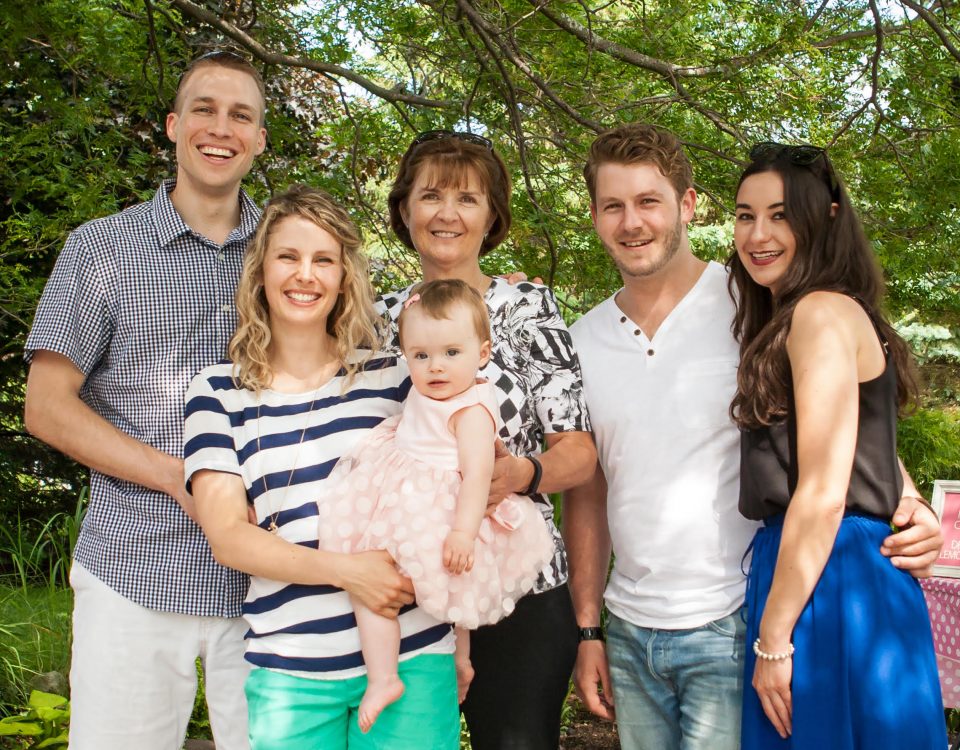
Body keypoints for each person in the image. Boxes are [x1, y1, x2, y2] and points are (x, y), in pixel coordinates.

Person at [563, 123, 944, 750]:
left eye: (649, 201)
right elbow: (590, 489)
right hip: (631, 627)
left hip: (741, 614)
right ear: (596, 216)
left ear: (687, 205)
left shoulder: (753, 303)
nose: (632, 222)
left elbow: (839, 426)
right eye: (613, 205)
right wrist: (588, 629)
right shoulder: (580, 341)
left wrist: (907, 501)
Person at [23, 50, 267, 750]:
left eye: (240, 115)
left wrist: (474, 287)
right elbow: (46, 406)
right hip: (134, 569)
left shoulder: (289, 251)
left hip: (269, 582)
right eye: (205, 109)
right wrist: (177, 475)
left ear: (258, 139)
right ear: (172, 125)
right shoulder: (101, 249)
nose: (221, 128)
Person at [183, 184, 460, 749]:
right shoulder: (219, 393)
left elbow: (461, 464)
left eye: (323, 260)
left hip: (414, 655)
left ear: (343, 278)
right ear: (261, 271)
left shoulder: (395, 378)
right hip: (292, 669)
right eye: (288, 256)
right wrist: (348, 570)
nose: (304, 275)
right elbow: (230, 538)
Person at [378, 129, 597, 750]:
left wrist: (519, 475)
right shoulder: (374, 317)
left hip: (516, 584)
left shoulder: (526, 306)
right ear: (404, 210)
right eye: (430, 196)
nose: (447, 214)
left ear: (492, 216)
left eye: (468, 199)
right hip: (409, 587)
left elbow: (578, 454)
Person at [731, 143, 946, 748]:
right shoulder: (796, 314)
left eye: (779, 214)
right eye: (745, 215)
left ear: (824, 217)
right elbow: (863, 446)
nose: (758, 233)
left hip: (830, 576)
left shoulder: (820, 313)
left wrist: (773, 639)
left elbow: (825, 493)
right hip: (822, 566)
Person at [317, 278, 554, 732]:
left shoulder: (471, 410)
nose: (435, 367)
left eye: (451, 353)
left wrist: (463, 532)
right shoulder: (426, 392)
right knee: (408, 587)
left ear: (482, 354)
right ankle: (454, 663)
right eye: (421, 356)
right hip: (403, 490)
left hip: (440, 512)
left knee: (382, 581)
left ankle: (385, 677)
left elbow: (478, 477)